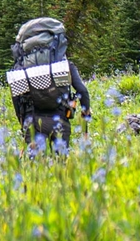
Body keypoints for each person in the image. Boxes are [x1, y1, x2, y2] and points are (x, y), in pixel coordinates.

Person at [7, 17, 92, 153]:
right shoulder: (64, 65)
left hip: (33, 120)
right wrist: (85, 124)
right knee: (61, 165)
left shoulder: (21, 67)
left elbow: (16, 98)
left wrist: (23, 124)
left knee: (34, 168)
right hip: (60, 119)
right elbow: (82, 91)